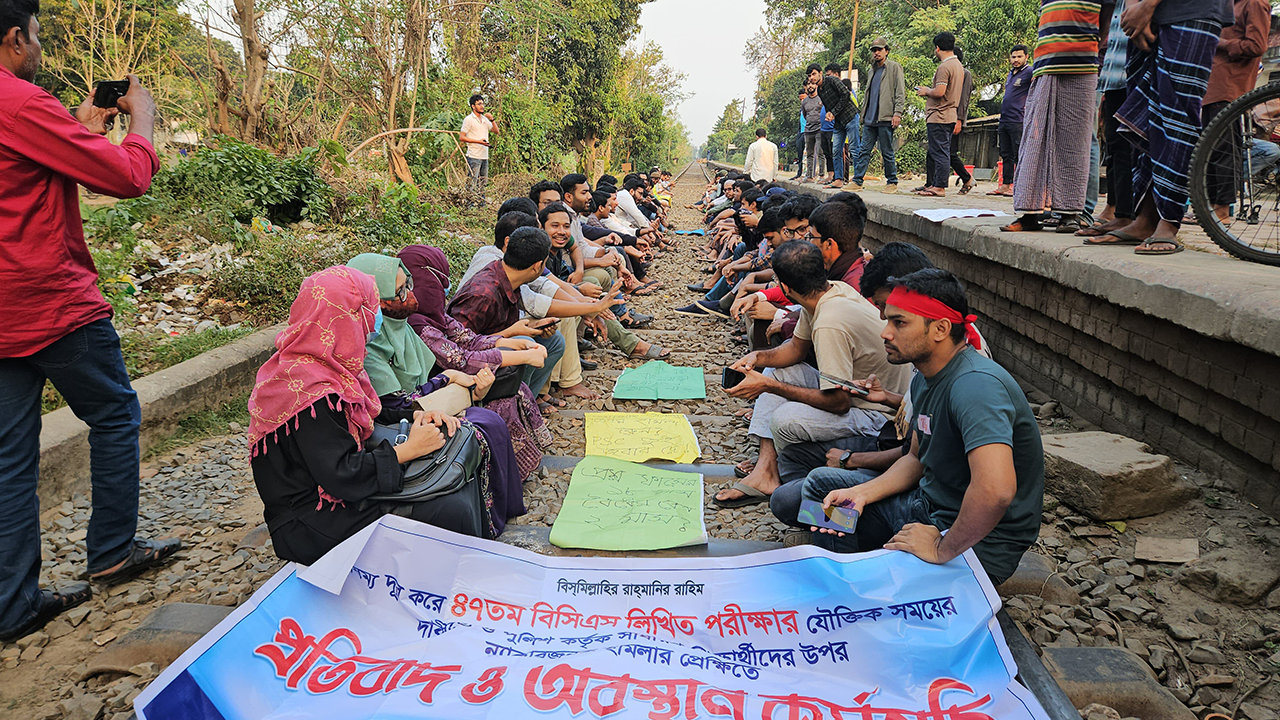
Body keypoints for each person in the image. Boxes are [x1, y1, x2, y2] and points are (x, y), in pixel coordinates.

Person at [0, 1, 181, 641]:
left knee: (9, 458)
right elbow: (129, 176)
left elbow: (27, 173)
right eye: (39, 35)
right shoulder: (20, 102)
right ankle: (111, 551)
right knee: (114, 414)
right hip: (50, 300)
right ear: (16, 38)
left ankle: (13, 606)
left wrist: (77, 125)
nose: (40, 46)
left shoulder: (27, 115)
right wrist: (144, 120)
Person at [800, 269, 1042, 584]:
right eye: (887, 320)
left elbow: (995, 491)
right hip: (927, 509)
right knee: (819, 497)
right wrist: (861, 494)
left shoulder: (976, 386)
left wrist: (942, 548)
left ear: (940, 328)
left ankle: (854, 593)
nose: (885, 332)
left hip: (977, 543)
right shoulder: (925, 377)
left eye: (898, 322)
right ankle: (856, 577)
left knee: (810, 510)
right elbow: (915, 458)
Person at [248, 267, 490, 566]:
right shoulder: (309, 388)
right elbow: (340, 474)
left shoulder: (327, 363)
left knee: (454, 479)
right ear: (344, 316)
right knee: (448, 507)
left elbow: (369, 411)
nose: (374, 319)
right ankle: (445, 591)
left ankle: (463, 577)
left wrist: (420, 414)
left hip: (337, 491)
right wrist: (408, 450)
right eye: (368, 309)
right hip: (314, 518)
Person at [713, 241, 911, 509]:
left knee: (784, 420)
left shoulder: (830, 321)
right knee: (778, 370)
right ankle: (766, 471)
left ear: (785, 288)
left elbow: (838, 402)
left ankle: (793, 479)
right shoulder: (831, 291)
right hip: (871, 397)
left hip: (878, 414)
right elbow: (795, 349)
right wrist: (758, 357)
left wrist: (769, 387)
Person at [345, 253, 525, 537]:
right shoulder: (367, 343)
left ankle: (495, 512)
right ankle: (482, 521)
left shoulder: (400, 326)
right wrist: (449, 379)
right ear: (372, 300)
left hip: (413, 410)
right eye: (400, 291)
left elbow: (428, 374)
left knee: (490, 417)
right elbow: (388, 405)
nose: (411, 294)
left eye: (410, 284)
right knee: (478, 429)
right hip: (388, 431)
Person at [399, 245, 553, 482]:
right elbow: (459, 360)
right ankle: (499, 479)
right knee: (500, 400)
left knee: (513, 384)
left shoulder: (434, 314)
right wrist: (519, 355)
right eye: (439, 280)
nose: (445, 287)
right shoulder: (418, 323)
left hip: (457, 379)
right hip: (434, 391)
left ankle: (511, 473)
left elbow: (466, 338)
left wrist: (508, 342)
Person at [1001, 0, 1114, 234]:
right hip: (1044, 65)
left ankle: (1070, 214)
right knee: (1033, 141)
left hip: (1082, 65)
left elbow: (1107, 18)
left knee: (1075, 142)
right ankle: (1030, 213)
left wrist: (1090, 45)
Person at [1200, 0, 1269, 222]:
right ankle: (1210, 205)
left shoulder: (1254, 3)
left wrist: (1219, 43)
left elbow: (1256, 45)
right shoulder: (1225, 4)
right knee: (1208, 149)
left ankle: (1222, 209)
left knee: (1224, 148)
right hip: (1211, 84)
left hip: (1230, 85)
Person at [850, 39, 905, 193]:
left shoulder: (894, 68)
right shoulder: (872, 70)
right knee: (863, 150)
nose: (876, 52)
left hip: (886, 117)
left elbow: (900, 93)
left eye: (879, 49)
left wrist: (897, 113)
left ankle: (892, 182)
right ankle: (857, 181)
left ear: (886, 51)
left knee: (887, 150)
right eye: (874, 50)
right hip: (870, 118)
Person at [914, 32, 964, 197]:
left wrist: (926, 91)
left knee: (939, 152)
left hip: (939, 115)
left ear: (937, 48)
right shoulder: (958, 65)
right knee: (942, 150)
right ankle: (936, 184)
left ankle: (939, 186)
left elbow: (940, 91)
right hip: (949, 114)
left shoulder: (944, 67)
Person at [989, 45, 1032, 197]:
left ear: (1026, 56)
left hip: (1019, 120)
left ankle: (1019, 187)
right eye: (1013, 57)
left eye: (1019, 56)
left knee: (1019, 153)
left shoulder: (1030, 72)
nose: (1016, 60)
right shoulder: (1010, 74)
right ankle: (1005, 185)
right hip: (1004, 119)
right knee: (1005, 153)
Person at [809, 63, 860, 189]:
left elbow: (845, 94)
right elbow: (829, 106)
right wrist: (828, 114)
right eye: (810, 76)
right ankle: (838, 179)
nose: (812, 78)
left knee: (854, 148)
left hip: (850, 117)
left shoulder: (832, 80)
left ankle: (858, 180)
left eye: (814, 74)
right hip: (838, 123)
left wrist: (833, 112)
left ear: (820, 73)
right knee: (835, 150)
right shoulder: (819, 90)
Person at [460, 93, 498, 198]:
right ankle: (469, 205)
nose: (482, 106)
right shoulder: (469, 119)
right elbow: (462, 137)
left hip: (484, 156)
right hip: (473, 156)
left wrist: (492, 119)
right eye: (479, 104)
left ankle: (481, 204)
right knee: (472, 182)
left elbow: (496, 131)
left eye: (482, 103)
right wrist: (479, 141)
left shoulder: (485, 119)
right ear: (473, 106)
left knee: (483, 183)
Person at [801, 83, 825, 183]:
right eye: (808, 84)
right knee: (809, 153)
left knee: (820, 152)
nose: (810, 86)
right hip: (808, 130)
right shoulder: (805, 101)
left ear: (816, 85)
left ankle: (822, 176)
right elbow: (805, 114)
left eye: (812, 84)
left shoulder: (821, 98)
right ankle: (809, 176)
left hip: (819, 129)